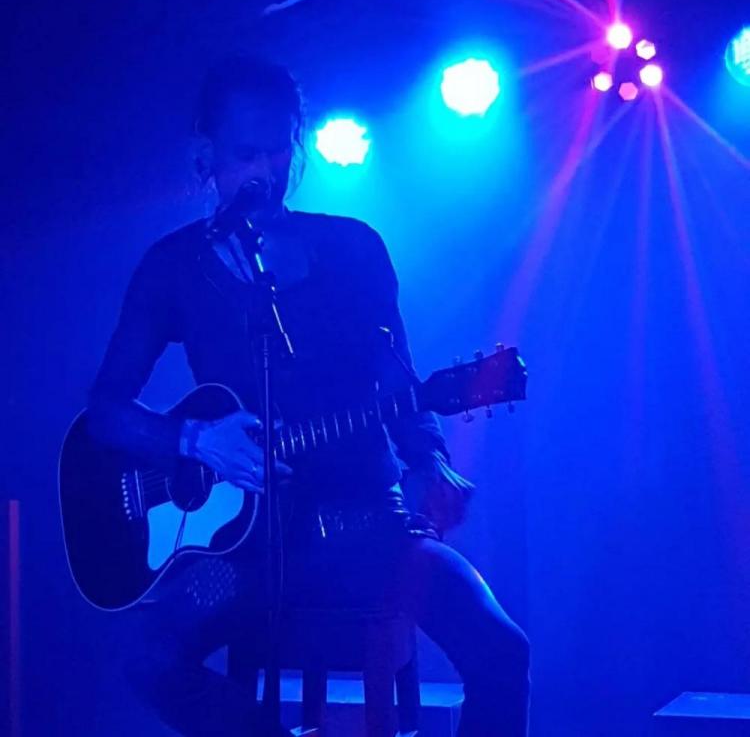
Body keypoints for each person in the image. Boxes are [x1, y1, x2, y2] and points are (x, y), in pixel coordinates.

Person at [88, 54, 530, 736]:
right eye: (245, 153)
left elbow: (396, 376)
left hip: (370, 529)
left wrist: (430, 458)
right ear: (206, 156)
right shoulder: (171, 268)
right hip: (240, 555)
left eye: (278, 149)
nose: (264, 171)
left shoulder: (354, 248)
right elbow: (106, 411)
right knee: (148, 657)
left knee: (501, 648)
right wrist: (194, 440)